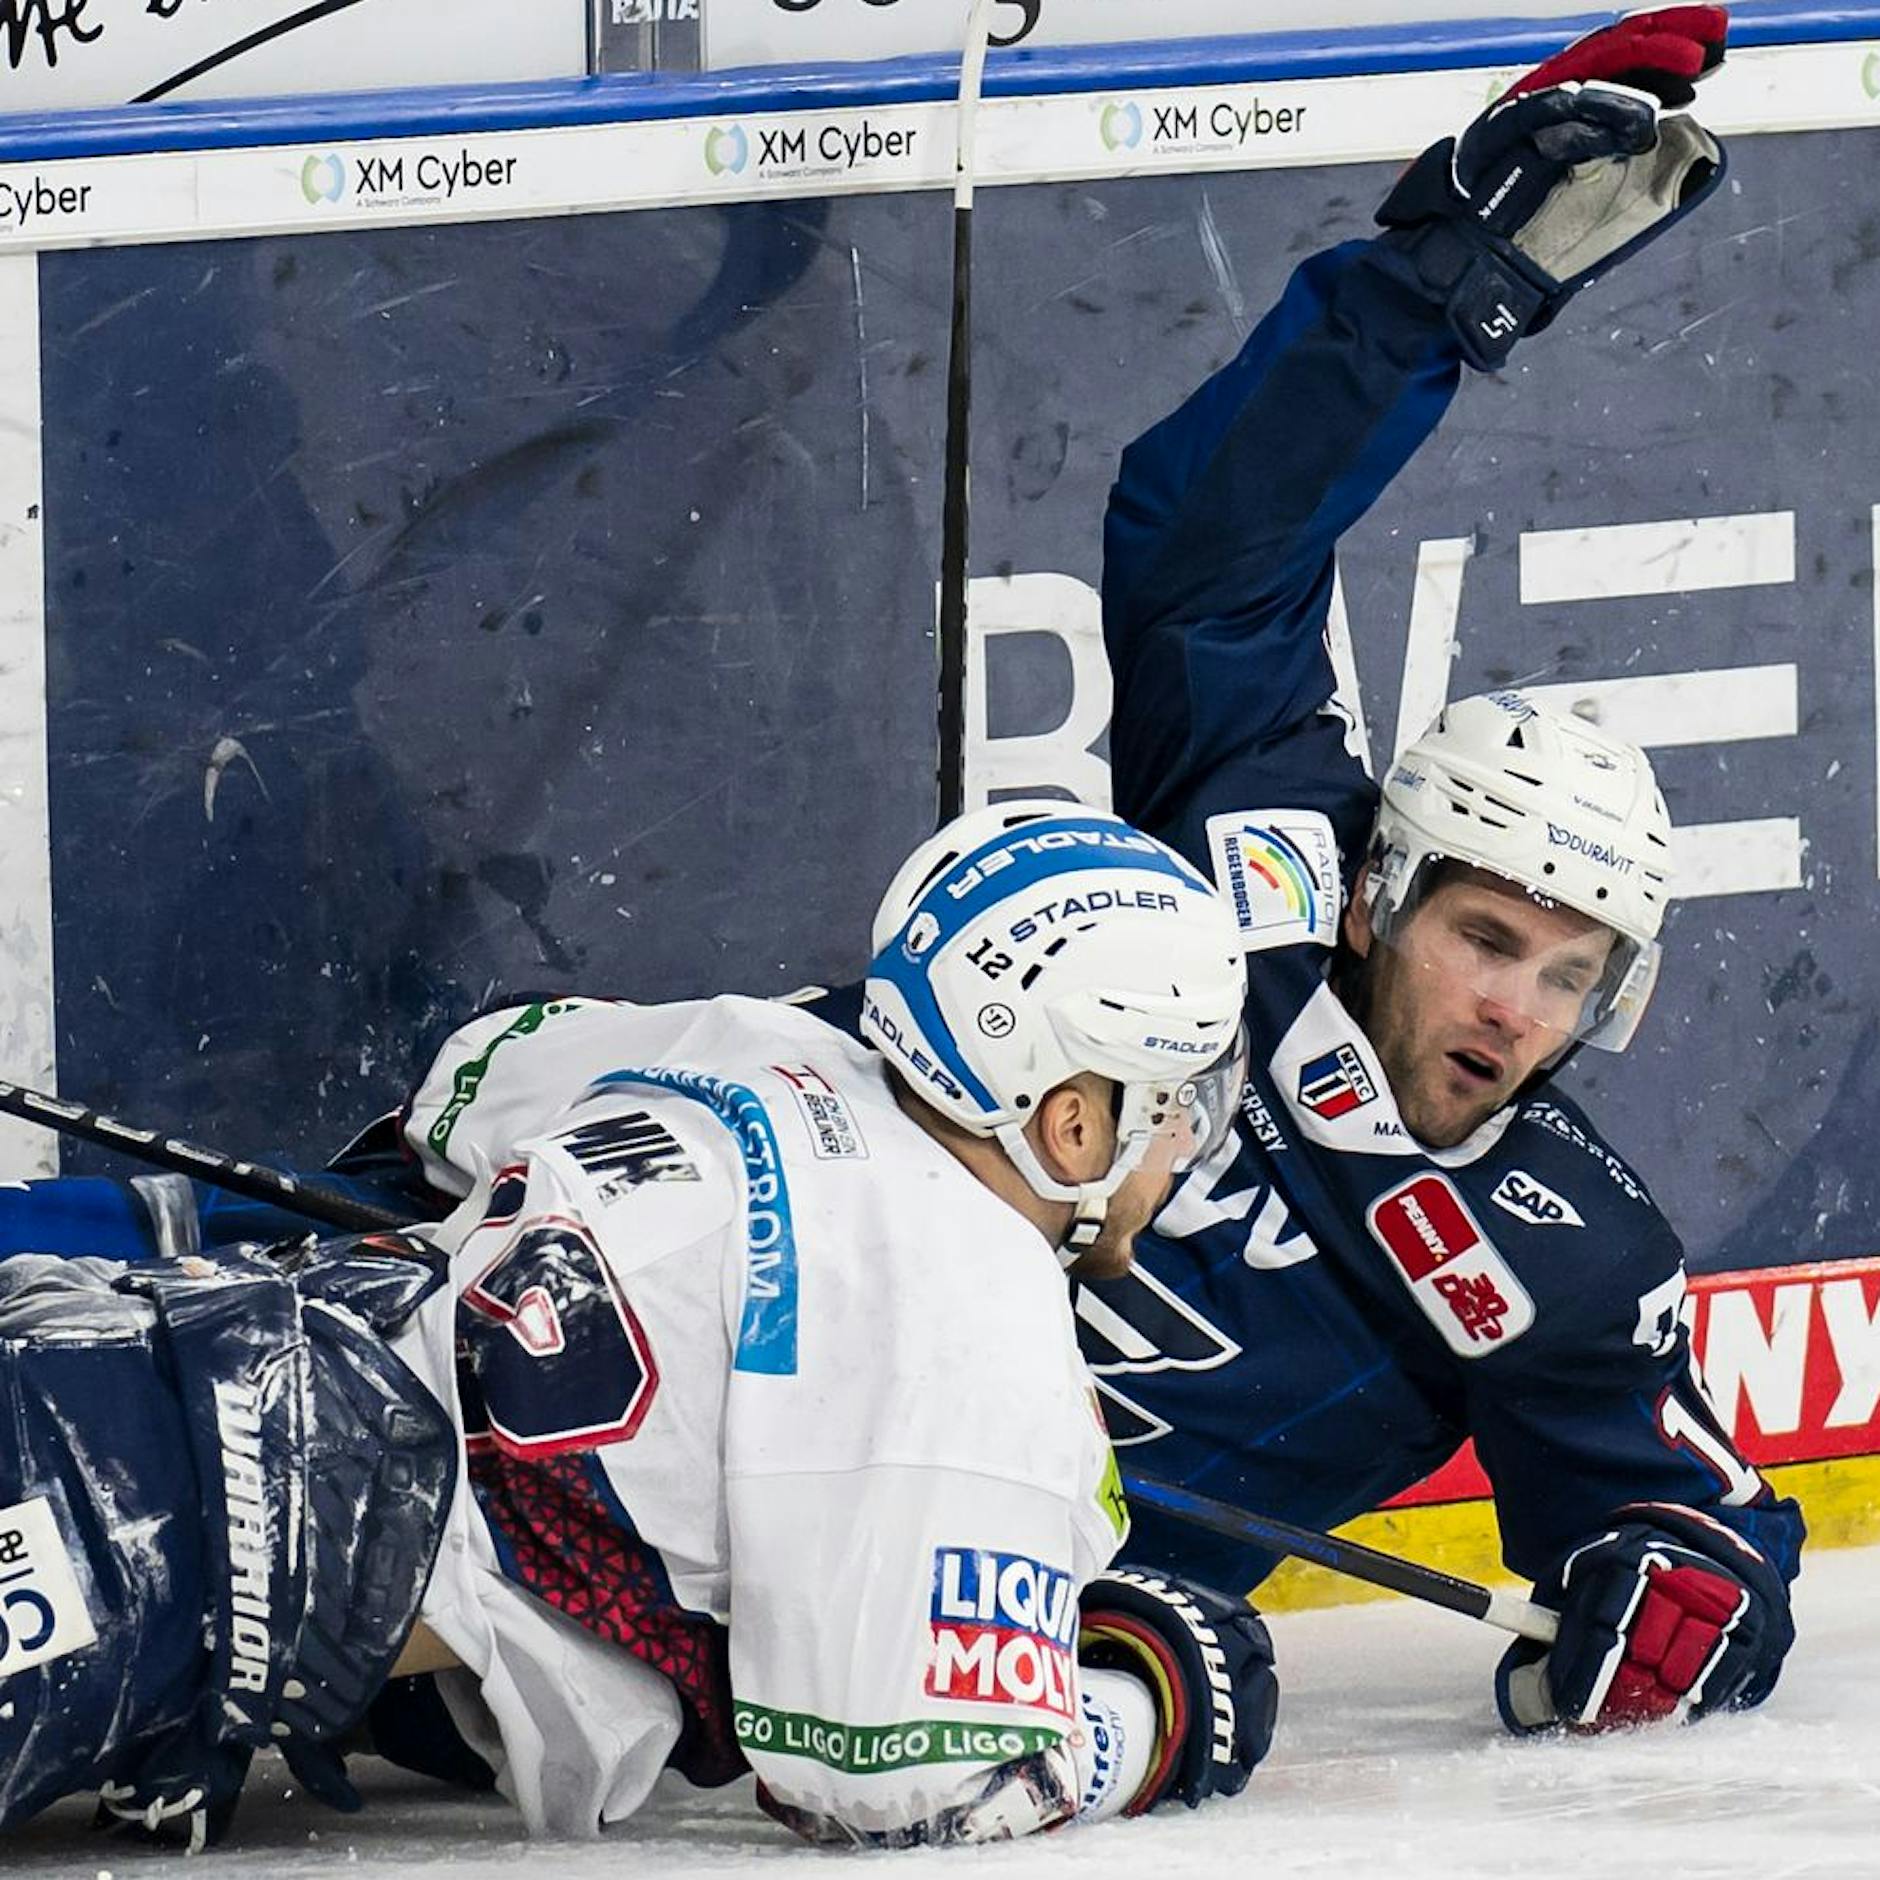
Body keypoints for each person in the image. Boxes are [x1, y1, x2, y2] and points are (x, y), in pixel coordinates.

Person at [0, 801, 1279, 1851]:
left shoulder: (752, 1042)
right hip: (143, 1533)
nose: (1187, 1151)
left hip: (119, 1356)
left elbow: (468, 1082)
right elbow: (909, 1778)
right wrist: (1137, 1701)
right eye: (1177, 1105)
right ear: (1070, 1122)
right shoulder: (974, 1308)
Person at [1074, 3, 1806, 1737]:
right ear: (1373, 892)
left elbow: (1706, 1523)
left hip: (965, 1600)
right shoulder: (1247, 844)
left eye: (1569, 971)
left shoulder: (1563, 1255)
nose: (1513, 1003)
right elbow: (1209, 555)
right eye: (1485, 932)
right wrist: (1438, 286)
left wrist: (1684, 1591)